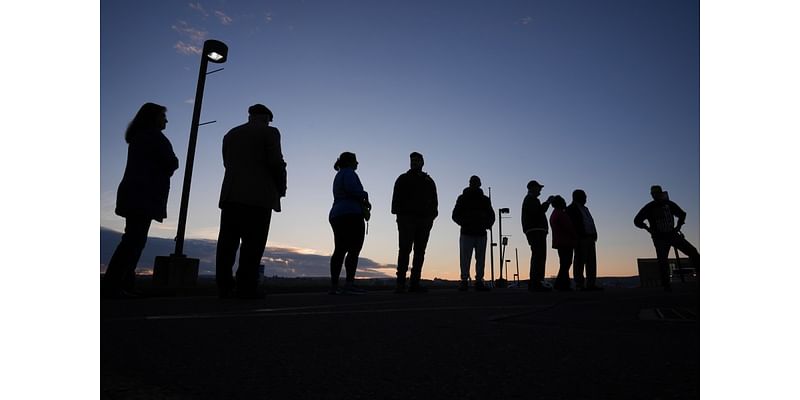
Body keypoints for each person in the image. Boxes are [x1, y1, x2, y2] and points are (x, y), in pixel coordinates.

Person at [103, 103, 179, 299]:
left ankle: (123, 284)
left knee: (132, 239)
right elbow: (172, 162)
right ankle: (114, 285)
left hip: (134, 193)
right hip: (144, 195)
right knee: (133, 242)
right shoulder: (154, 137)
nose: (166, 120)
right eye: (163, 116)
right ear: (153, 117)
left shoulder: (139, 137)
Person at [215, 104, 287, 299]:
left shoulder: (231, 134)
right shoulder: (270, 133)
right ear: (265, 118)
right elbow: (276, 162)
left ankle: (223, 287)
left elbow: (226, 163)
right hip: (259, 197)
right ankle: (245, 287)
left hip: (231, 195)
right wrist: (281, 187)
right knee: (253, 245)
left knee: (227, 244)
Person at [634, 185, 700, 291]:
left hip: (672, 235)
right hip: (659, 238)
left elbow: (682, 214)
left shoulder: (669, 204)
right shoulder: (649, 207)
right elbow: (637, 221)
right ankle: (666, 286)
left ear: (661, 193)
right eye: (653, 193)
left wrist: (678, 226)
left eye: (657, 193)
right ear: (652, 195)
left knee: (693, 252)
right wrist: (648, 229)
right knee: (663, 261)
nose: (655, 195)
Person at [391, 152, 438, 293]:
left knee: (419, 252)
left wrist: (431, 217)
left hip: (424, 221)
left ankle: (414, 282)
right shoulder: (403, 179)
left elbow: (435, 202)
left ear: (422, 162)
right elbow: (395, 201)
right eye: (412, 160)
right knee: (405, 250)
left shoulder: (428, 181)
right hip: (407, 220)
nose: (414, 162)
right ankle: (400, 283)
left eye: (417, 160)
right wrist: (400, 215)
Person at [328, 152, 371, 295]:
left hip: (336, 214)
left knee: (339, 249)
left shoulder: (339, 175)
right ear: (350, 162)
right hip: (350, 214)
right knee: (354, 249)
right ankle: (349, 284)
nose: (358, 163)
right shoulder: (349, 173)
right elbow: (353, 190)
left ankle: (334, 285)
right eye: (356, 161)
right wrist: (365, 195)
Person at [451, 175, 495, 291]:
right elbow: (455, 215)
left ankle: (478, 281)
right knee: (466, 259)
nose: (474, 184)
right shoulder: (462, 198)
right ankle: (465, 280)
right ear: (470, 183)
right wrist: (465, 223)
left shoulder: (485, 200)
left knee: (479, 259)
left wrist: (486, 224)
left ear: (479, 184)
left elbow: (491, 215)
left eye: (476, 182)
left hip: (480, 233)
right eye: (473, 182)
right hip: (467, 232)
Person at [521, 180, 554, 292]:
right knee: (539, 256)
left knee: (539, 256)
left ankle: (537, 282)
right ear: (532, 188)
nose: (540, 190)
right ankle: (536, 282)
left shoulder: (531, 200)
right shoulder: (530, 200)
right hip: (536, 231)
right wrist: (548, 202)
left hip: (536, 230)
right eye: (538, 187)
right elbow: (539, 211)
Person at [567, 189, 602, 291]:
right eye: (584, 197)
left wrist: (594, 234)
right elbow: (572, 225)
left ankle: (591, 284)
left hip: (590, 237)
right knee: (579, 261)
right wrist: (576, 237)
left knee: (591, 262)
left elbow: (590, 222)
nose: (586, 199)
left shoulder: (585, 209)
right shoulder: (571, 209)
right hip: (581, 238)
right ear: (578, 197)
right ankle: (579, 284)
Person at [549, 195, 577, 291]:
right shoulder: (560, 214)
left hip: (560, 242)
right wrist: (575, 236)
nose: (565, 203)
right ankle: (560, 284)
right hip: (565, 242)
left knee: (564, 263)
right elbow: (569, 227)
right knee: (566, 263)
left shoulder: (554, 214)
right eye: (564, 202)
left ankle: (564, 284)